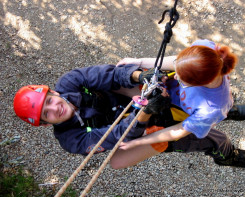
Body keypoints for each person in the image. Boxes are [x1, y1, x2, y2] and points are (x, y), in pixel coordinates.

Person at [110, 39, 245, 169]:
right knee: (211, 114)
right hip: (186, 105)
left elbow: (179, 130)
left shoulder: (210, 108)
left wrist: (139, 141)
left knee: (215, 137)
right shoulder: (205, 51)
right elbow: (177, 61)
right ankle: (225, 112)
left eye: (183, 79)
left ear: (201, 84)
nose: (176, 76)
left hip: (200, 112)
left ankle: (227, 154)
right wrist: (138, 61)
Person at [13, 64, 170, 155]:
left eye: (49, 101)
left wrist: (140, 76)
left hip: (128, 95)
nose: (55, 108)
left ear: (54, 92)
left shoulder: (69, 82)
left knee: (125, 68)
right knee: (119, 158)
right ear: (46, 124)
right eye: (46, 114)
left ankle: (158, 81)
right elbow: (117, 135)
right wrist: (146, 111)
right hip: (134, 126)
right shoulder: (71, 140)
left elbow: (111, 75)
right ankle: (167, 130)